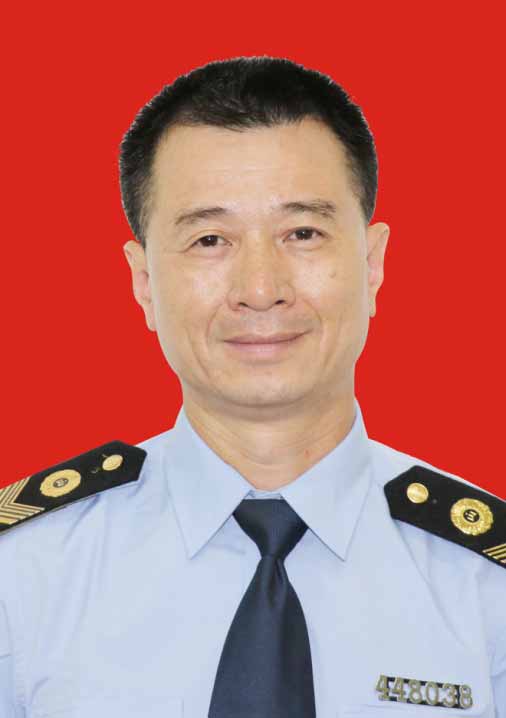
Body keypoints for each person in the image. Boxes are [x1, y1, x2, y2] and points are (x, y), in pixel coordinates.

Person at [0, 55, 504, 718]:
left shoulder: (485, 583)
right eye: (210, 239)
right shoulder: (24, 573)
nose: (261, 290)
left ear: (373, 262)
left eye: (303, 233)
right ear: (143, 281)